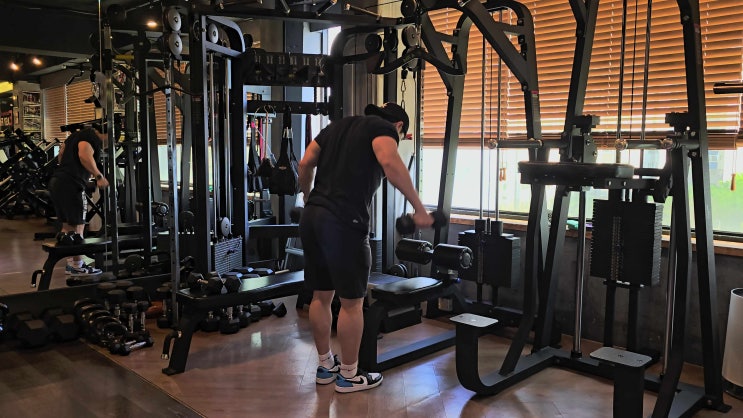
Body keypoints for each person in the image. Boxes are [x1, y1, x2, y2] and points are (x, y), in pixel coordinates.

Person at [298, 102, 434, 393]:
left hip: (313, 217)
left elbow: (305, 163)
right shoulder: (384, 129)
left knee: (321, 296)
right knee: (352, 303)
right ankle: (349, 375)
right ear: (399, 126)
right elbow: (389, 162)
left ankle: (325, 365)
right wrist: (419, 208)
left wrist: (309, 197)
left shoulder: (337, 126)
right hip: (344, 221)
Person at [48, 125, 109, 276]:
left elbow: (61, 153)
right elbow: (84, 154)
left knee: (67, 226)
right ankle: (77, 265)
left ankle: (72, 264)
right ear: (105, 134)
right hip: (72, 184)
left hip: (57, 180)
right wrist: (99, 176)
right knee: (78, 227)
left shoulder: (74, 136)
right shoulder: (90, 137)